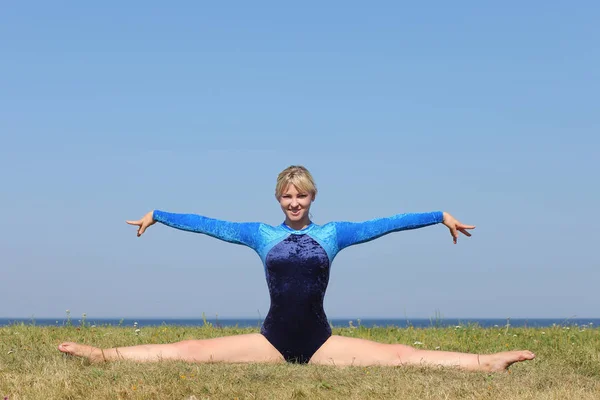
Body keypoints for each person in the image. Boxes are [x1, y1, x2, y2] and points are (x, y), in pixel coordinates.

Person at [58, 165, 535, 371]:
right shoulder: (259, 234)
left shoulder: (335, 233)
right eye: (286, 196)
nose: (293, 202)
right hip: (271, 340)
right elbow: (208, 224)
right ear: (278, 199)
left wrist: (437, 216)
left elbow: (386, 224)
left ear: (312, 197)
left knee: (398, 355)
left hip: (321, 341)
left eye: (300, 195)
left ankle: (484, 363)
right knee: (191, 350)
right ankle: (102, 356)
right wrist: (159, 215)